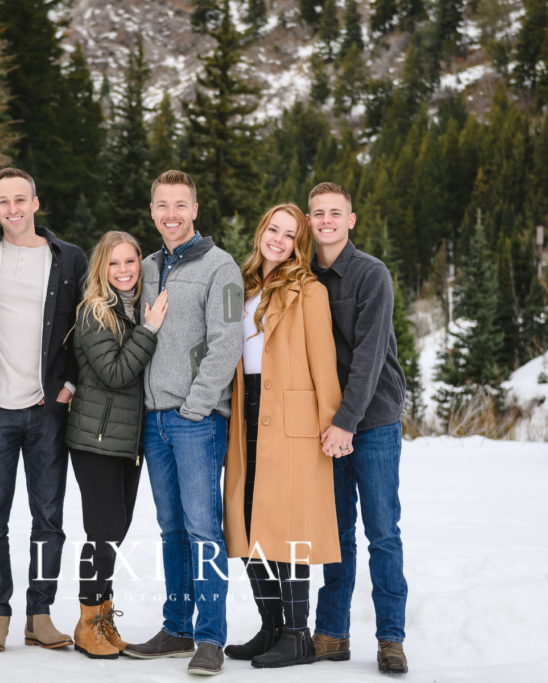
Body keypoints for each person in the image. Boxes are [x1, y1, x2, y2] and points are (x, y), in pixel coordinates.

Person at [123, 170, 244, 676]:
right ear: (152, 210)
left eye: (180, 205)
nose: (170, 214)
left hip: (197, 422)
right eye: (161, 205)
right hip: (153, 423)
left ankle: (211, 637)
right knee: (171, 529)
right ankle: (177, 627)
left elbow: (228, 340)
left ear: (194, 209)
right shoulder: (147, 266)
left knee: (202, 530)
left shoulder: (224, 268)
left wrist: (196, 405)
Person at [0, 168, 88, 653]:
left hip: (47, 409)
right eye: (3, 202)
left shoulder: (69, 259)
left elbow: (88, 324)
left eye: (21, 199)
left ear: (36, 203)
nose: (12, 209)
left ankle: (39, 614)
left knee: (49, 518)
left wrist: (71, 383)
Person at [221, 203, 342, 668]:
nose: (279, 239)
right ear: (261, 232)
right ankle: (271, 626)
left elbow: (324, 362)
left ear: (299, 244)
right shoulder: (244, 283)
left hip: (292, 418)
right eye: (274, 229)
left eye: (290, 235)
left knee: (288, 527)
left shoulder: (308, 291)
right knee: (250, 520)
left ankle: (296, 635)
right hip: (245, 410)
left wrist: (331, 422)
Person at [307, 182, 408, 674]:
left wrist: (345, 423)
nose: (326, 220)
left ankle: (391, 638)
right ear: (310, 221)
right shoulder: (303, 277)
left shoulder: (372, 274)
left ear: (351, 219)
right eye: (318, 213)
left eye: (335, 213)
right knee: (336, 532)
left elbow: (368, 358)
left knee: (383, 532)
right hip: (326, 426)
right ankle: (331, 633)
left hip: (373, 422)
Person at [65, 231, 169, 659]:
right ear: (101, 269)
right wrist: (150, 329)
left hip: (127, 440)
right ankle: (88, 621)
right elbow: (115, 373)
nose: (124, 271)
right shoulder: (94, 311)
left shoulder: (132, 309)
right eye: (114, 263)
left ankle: (103, 616)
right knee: (103, 532)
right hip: (96, 439)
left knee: (115, 532)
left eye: (131, 262)